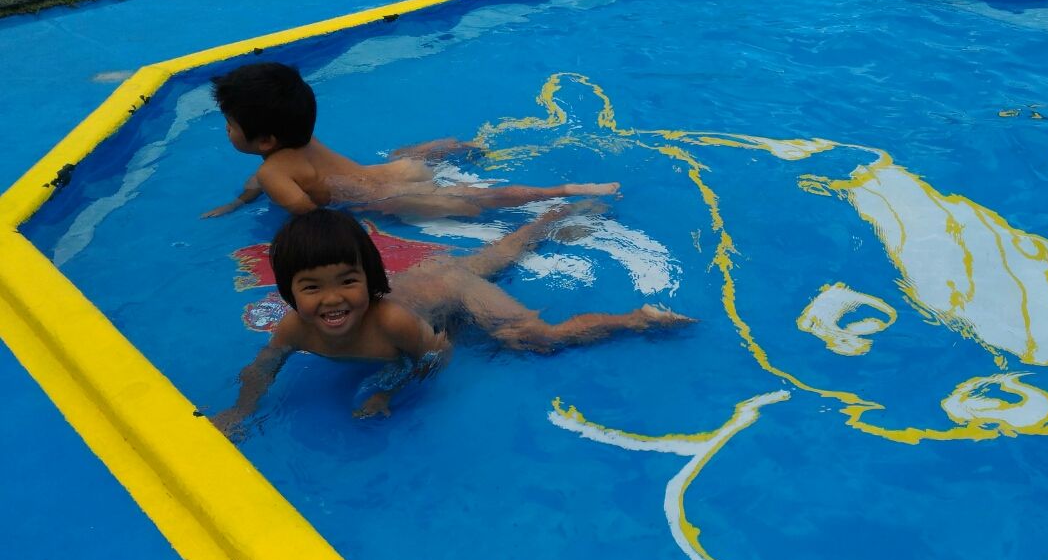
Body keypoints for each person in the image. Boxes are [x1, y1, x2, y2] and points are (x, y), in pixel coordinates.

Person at [211, 204, 691, 438]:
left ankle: (636, 319)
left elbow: (437, 356)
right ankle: (548, 222)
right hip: (434, 288)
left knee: (535, 339)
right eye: (311, 288)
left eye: (347, 282)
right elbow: (263, 366)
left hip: (452, 292)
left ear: (370, 278)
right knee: (499, 255)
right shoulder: (294, 328)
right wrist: (240, 410)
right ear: (289, 293)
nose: (332, 300)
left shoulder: (391, 322)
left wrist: (386, 389)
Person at [202, 62, 619, 219]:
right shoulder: (295, 147)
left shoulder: (276, 172)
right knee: (408, 156)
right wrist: (238, 202)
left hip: (390, 196)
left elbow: (311, 217)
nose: (226, 130)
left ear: (264, 140)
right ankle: (458, 146)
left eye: (230, 123)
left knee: (478, 201)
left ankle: (561, 192)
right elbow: (261, 182)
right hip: (399, 170)